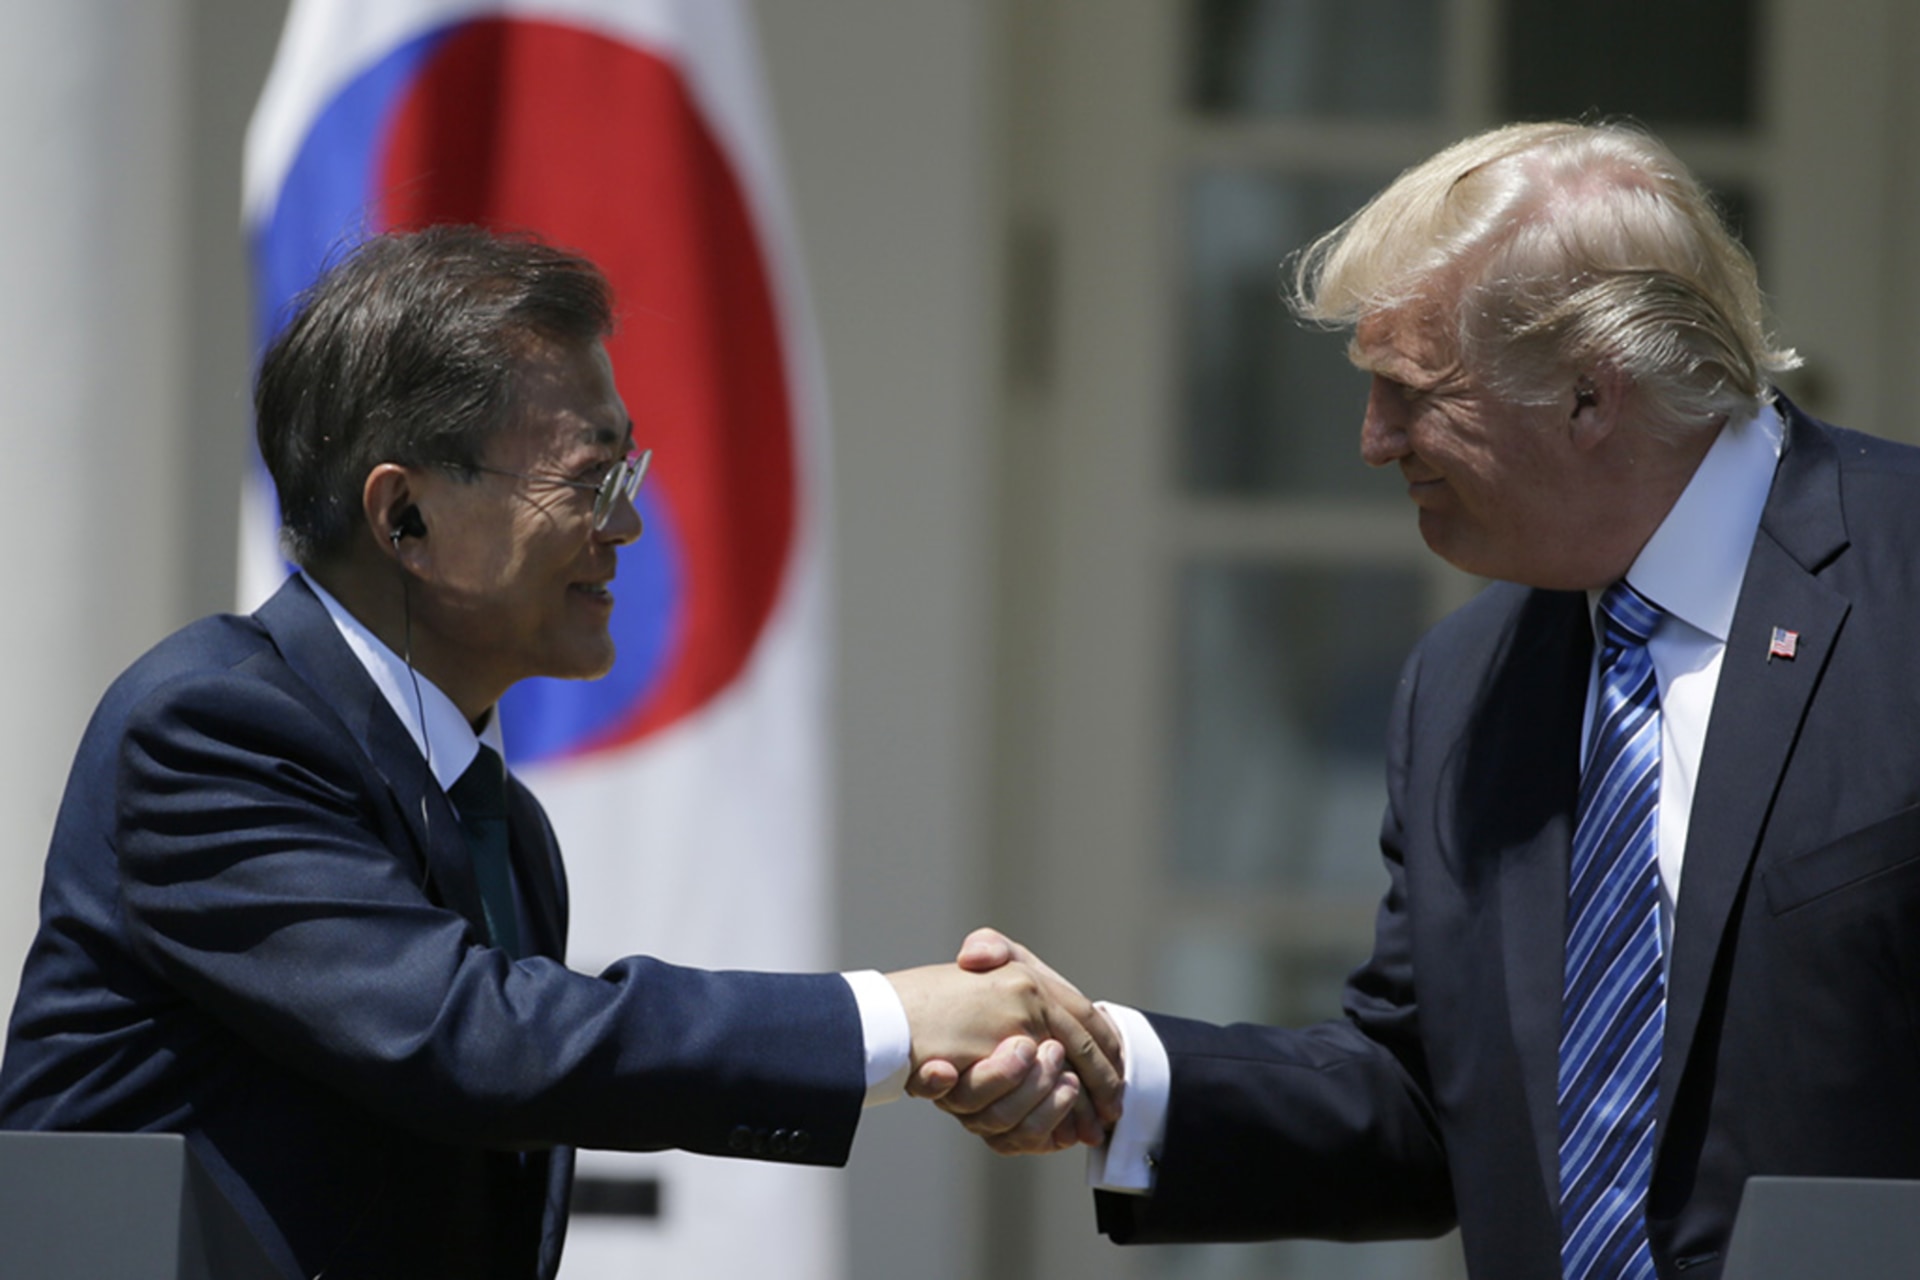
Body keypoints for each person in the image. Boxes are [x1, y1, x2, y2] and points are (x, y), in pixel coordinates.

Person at [0, 226, 1118, 1280]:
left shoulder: (504, 827)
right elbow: (472, 1039)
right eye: (590, 480)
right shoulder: (211, 727)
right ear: (407, 520)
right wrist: (890, 1016)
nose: (629, 527)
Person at [933, 120, 1920, 1280]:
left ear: (1589, 396)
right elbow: (1424, 1103)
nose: (1372, 440)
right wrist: (1116, 1075)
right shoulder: (1463, 683)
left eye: (1408, 392)